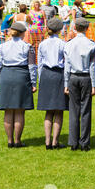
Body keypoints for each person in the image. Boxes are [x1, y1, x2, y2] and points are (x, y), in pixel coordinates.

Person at [0, 22, 37, 148]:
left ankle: (9, 140)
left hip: (6, 75)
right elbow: (32, 67)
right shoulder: (28, 46)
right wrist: (33, 82)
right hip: (21, 76)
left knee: (7, 110)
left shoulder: (3, 46)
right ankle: (17, 141)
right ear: (23, 33)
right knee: (19, 111)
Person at [64, 18, 95, 151]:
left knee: (73, 110)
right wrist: (93, 84)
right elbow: (92, 66)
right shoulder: (91, 44)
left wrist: (66, 83)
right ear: (87, 28)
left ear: (75, 28)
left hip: (72, 76)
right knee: (85, 110)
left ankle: (73, 142)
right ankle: (84, 142)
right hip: (85, 77)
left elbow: (67, 65)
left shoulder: (68, 44)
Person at [37, 18, 68, 150]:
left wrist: (40, 79)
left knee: (48, 111)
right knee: (59, 111)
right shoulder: (63, 44)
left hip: (46, 74)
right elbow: (66, 63)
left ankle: (47, 141)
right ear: (60, 30)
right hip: (59, 74)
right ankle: (55, 141)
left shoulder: (42, 44)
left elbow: (39, 63)